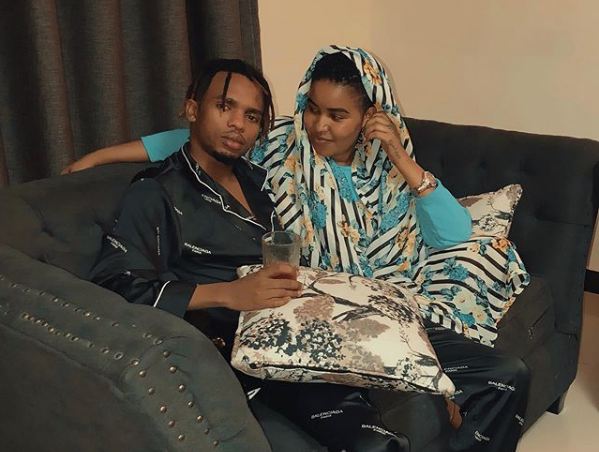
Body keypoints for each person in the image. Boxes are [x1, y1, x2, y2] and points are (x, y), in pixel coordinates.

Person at [76, 47, 530, 451]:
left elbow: (452, 234)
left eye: (252, 117)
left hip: (364, 302)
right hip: (289, 326)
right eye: (312, 109)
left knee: (508, 375)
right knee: (375, 442)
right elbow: (193, 149)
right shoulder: (247, 164)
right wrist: (98, 158)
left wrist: (398, 155)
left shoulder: (267, 176)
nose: (318, 125)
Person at [89, 57, 412, 451]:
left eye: (252, 116)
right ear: (192, 109)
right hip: (232, 358)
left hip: (301, 339)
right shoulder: (156, 193)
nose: (237, 124)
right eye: (224, 106)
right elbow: (113, 284)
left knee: (383, 434)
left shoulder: (261, 180)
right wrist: (227, 293)